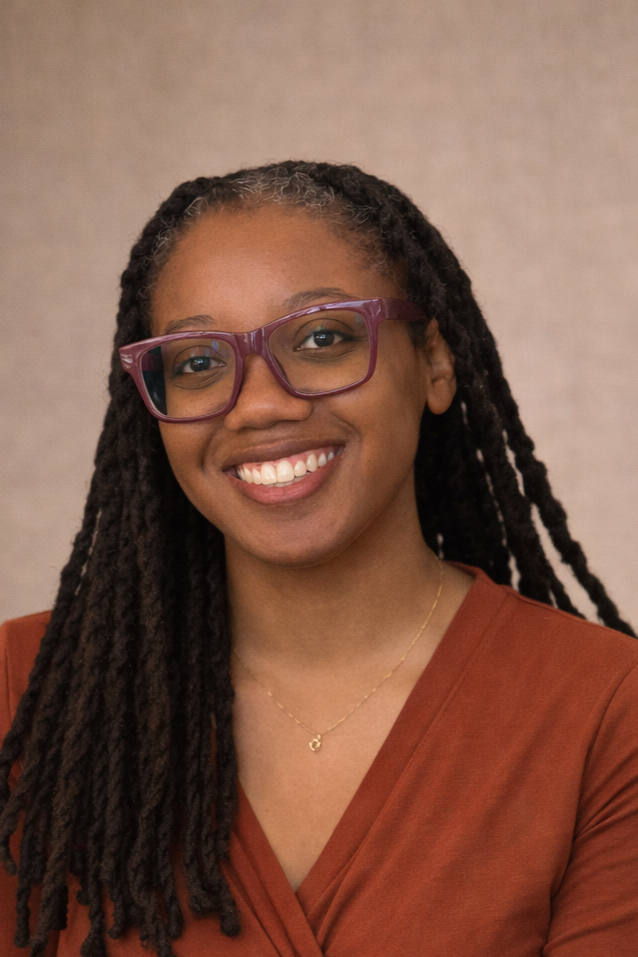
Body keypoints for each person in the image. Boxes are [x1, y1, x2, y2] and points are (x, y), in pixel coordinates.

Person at [1, 162, 636, 957]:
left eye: (323, 338)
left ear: (435, 362)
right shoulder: (24, 695)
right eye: (198, 362)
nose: (261, 402)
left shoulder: (606, 711)